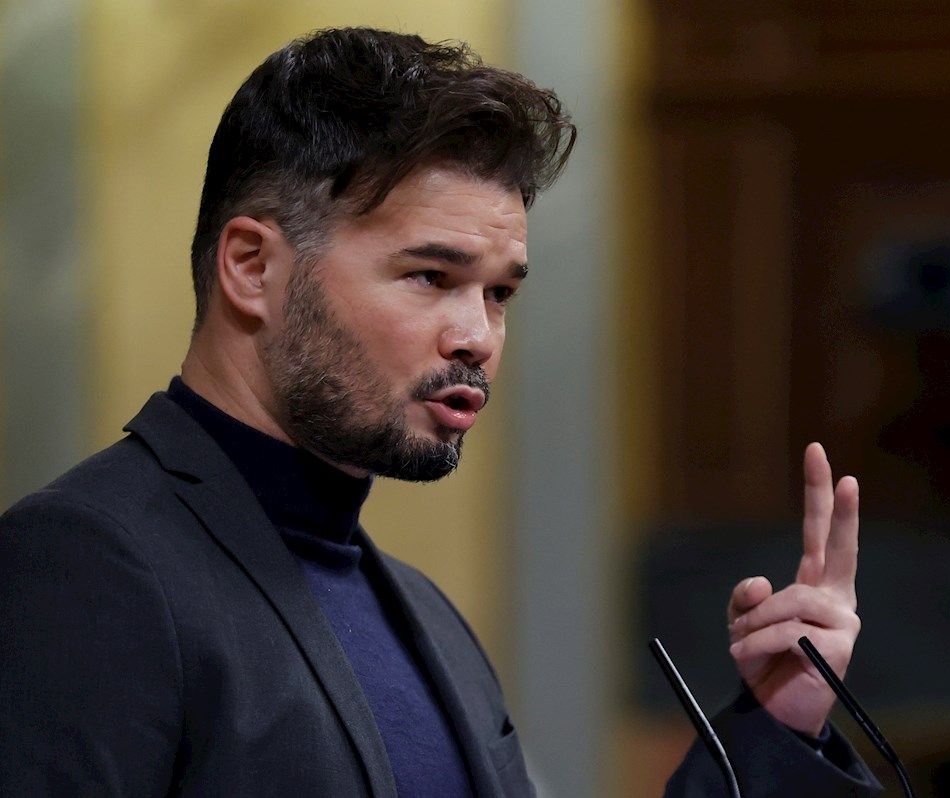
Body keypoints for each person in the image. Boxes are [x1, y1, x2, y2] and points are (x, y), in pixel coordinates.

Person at [0, 27, 881, 797]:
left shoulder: (424, 618)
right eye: (431, 277)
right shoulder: (88, 565)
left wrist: (776, 730)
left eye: (498, 293)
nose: (478, 336)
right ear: (252, 267)